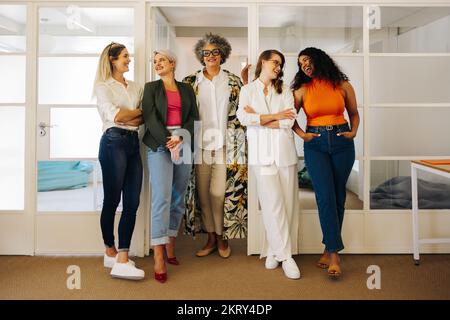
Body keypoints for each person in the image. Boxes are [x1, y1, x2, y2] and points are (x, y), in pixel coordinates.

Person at [291, 47, 359, 278]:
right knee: (324, 197)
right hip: (316, 144)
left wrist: (354, 132)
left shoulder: (343, 86)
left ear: (320, 60)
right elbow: (289, 117)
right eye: (300, 63)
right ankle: (334, 255)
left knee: (338, 196)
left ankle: (328, 247)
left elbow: (354, 113)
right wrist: (302, 134)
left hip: (342, 141)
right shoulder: (301, 89)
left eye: (307, 60)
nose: (304, 66)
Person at [237, 49, 301, 280]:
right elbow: (244, 119)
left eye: (280, 64)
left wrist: (261, 118)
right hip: (261, 156)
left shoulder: (286, 91)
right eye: (275, 62)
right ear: (263, 62)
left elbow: (289, 121)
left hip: (284, 154)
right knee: (272, 204)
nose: (278, 67)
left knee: (287, 204)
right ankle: (287, 257)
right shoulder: (247, 90)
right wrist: (274, 117)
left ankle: (275, 250)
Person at [183, 33, 247, 258]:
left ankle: (222, 236)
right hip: (199, 146)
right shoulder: (190, 82)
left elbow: (243, 112)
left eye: (215, 52)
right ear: (201, 56)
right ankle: (211, 237)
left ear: (222, 55)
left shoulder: (233, 81)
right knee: (202, 195)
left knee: (219, 193)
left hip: (226, 146)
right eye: (206, 53)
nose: (210, 56)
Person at [141, 50, 198, 283]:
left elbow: (194, 117)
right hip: (159, 144)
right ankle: (158, 254)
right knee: (161, 198)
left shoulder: (186, 89)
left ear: (172, 63)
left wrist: (181, 137)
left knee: (178, 196)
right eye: (154, 61)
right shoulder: (151, 88)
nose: (157, 64)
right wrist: (169, 139)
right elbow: (150, 117)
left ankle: (170, 243)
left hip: (183, 141)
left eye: (161, 60)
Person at [93, 42, 145, 280]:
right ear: (113, 59)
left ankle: (122, 256)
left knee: (132, 201)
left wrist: (127, 115)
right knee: (112, 200)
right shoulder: (103, 86)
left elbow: (141, 117)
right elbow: (116, 116)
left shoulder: (135, 87)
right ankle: (110, 250)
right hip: (113, 143)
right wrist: (128, 115)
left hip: (133, 143)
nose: (129, 60)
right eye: (125, 56)